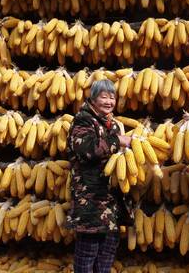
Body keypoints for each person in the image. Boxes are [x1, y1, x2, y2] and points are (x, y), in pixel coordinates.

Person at [66, 79, 132, 273]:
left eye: (112, 97)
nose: (109, 101)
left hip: (110, 202)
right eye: (104, 97)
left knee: (107, 254)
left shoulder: (111, 124)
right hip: (91, 201)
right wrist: (118, 140)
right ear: (93, 99)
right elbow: (87, 149)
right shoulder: (83, 120)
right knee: (87, 255)